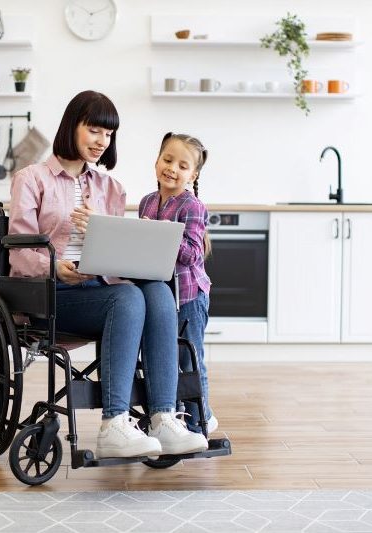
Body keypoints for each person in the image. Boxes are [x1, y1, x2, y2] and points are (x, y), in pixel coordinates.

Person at [8, 91, 208, 458]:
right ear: (72, 127)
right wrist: (55, 267)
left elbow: (118, 254)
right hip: (49, 293)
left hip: (101, 288)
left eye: (109, 134)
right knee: (129, 297)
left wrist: (109, 229)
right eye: (95, 130)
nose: (103, 141)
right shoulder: (32, 179)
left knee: (157, 289)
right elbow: (19, 253)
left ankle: (163, 416)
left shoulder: (110, 188)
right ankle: (114, 423)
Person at [139, 132, 217, 435]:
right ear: (157, 161)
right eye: (167, 159)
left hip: (189, 298)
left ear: (193, 174)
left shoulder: (192, 206)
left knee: (189, 360)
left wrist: (158, 233)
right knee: (165, 360)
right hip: (160, 296)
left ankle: (201, 421)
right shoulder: (147, 202)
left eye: (182, 165)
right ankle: (173, 419)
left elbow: (192, 254)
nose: (172, 168)